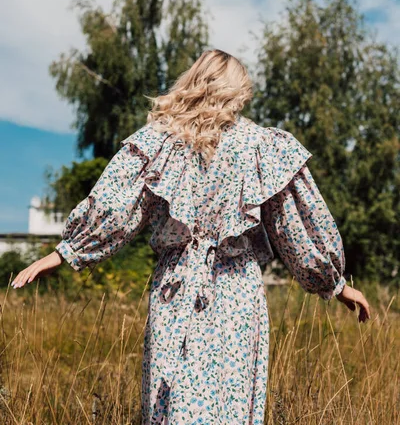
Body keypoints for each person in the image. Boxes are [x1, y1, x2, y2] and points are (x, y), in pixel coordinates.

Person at [11, 49, 370, 424]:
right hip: (236, 292)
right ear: (236, 91)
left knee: (172, 401)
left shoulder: (157, 142)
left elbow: (116, 209)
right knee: (228, 404)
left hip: (175, 287)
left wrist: (66, 252)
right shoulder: (264, 147)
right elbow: (296, 229)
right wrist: (335, 284)